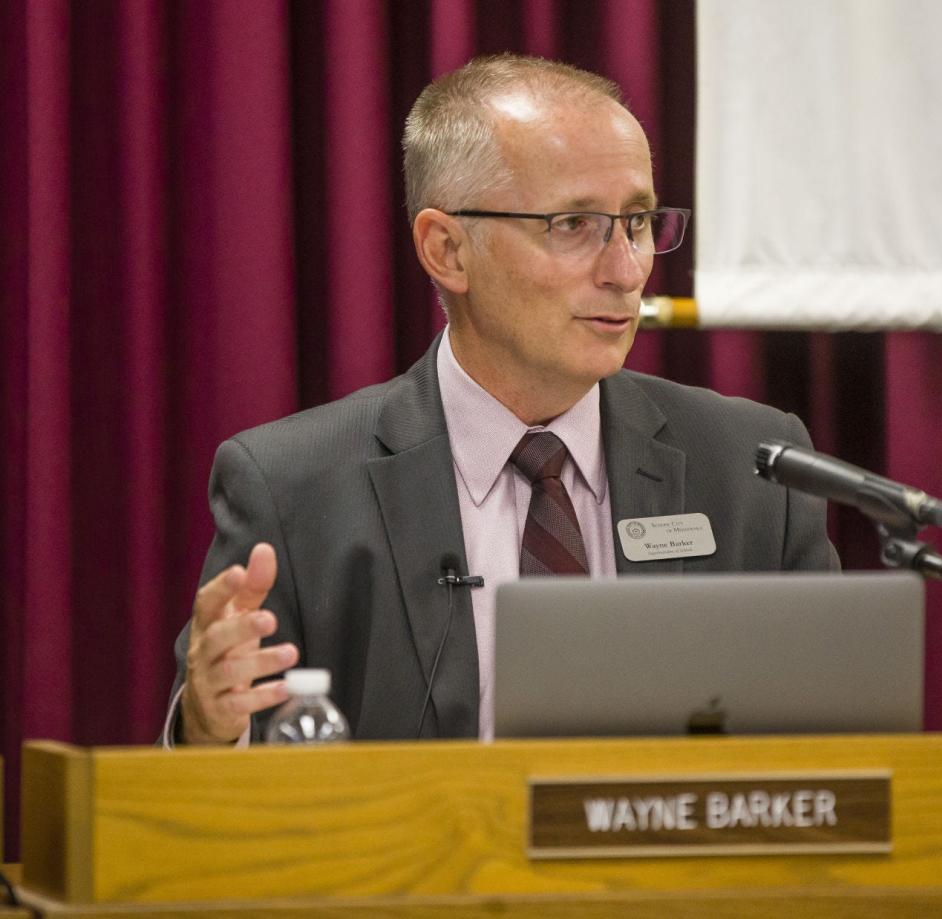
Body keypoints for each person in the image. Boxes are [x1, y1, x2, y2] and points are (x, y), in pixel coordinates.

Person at [165, 55, 837, 747]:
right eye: (574, 224)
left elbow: (842, 763)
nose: (626, 269)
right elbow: (215, 795)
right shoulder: (292, 486)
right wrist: (211, 730)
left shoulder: (755, 470)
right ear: (447, 249)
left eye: (637, 221)